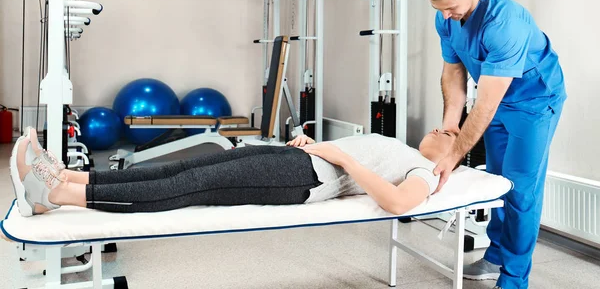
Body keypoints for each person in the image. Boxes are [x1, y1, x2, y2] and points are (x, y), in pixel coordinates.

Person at [423, 0, 566, 289]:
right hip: (498, 101)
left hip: (534, 102)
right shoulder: (445, 17)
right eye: (438, 8)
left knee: (519, 188)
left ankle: (515, 278)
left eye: (451, 7)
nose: (446, 16)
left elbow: (485, 104)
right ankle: (496, 256)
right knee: (497, 180)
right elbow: (453, 72)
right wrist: (449, 127)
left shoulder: (504, 23)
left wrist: (454, 155)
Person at [10, 127, 456, 218]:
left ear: (451, 156)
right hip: (300, 160)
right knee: (183, 166)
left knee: (188, 186)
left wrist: (344, 160)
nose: (440, 126)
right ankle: (67, 176)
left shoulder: (423, 169)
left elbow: (398, 203)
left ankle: (54, 197)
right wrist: (316, 144)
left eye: (450, 132)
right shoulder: (399, 144)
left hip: (304, 181)